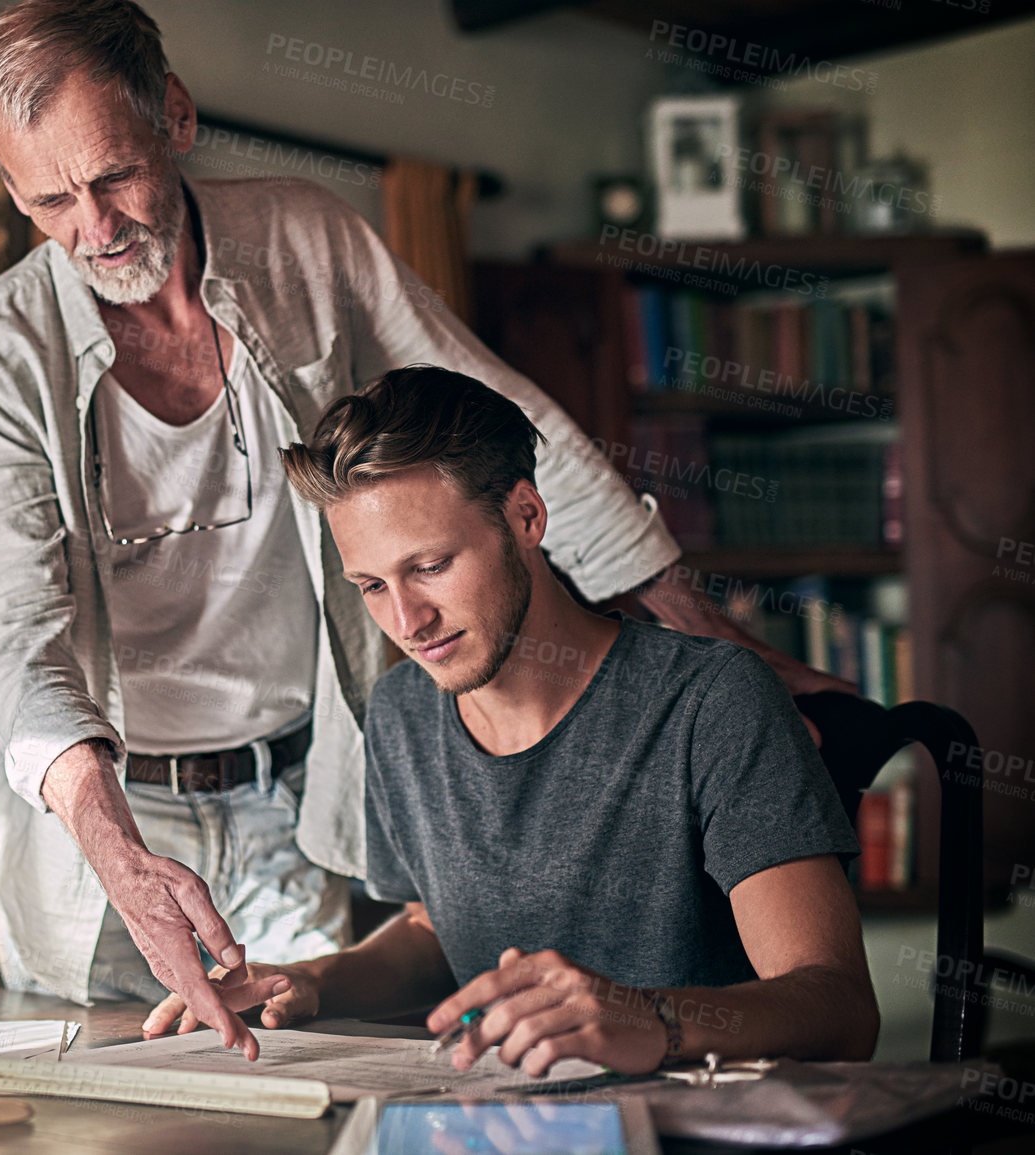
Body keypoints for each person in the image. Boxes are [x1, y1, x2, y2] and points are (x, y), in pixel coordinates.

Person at [0, 0, 848, 1059]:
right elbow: (12, 620)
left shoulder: (305, 237)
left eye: (116, 177)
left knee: (304, 1093)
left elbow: (507, 420)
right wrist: (112, 847)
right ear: (9, 188)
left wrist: (704, 634)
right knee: (97, 1111)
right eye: (49, 198)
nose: (96, 228)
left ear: (174, 118)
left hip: (293, 797)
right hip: (101, 820)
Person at [142, 367, 879, 1072]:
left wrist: (644, 1019)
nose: (407, 619)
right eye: (371, 584)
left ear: (526, 516)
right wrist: (312, 982)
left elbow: (838, 1008)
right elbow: (440, 932)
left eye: (430, 565)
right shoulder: (401, 712)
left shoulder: (712, 701)